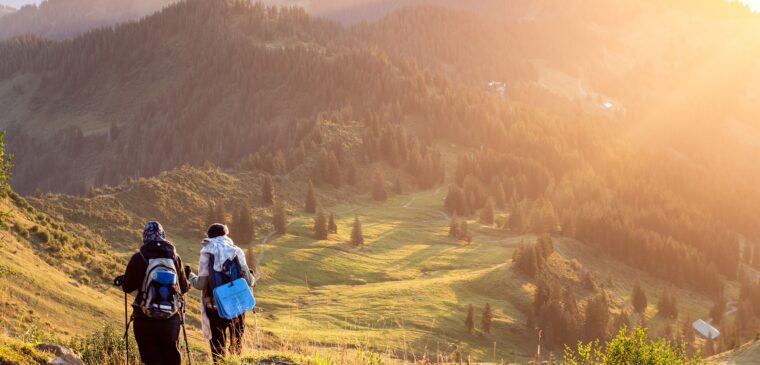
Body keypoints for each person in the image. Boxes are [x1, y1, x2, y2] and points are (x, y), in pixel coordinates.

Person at [119, 221, 189, 365]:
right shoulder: (175, 258)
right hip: (171, 319)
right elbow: (184, 287)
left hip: (144, 318)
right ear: (163, 235)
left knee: (151, 359)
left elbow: (127, 287)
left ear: (145, 237)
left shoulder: (139, 257)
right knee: (171, 358)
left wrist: (124, 279)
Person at [186, 223, 255, 363]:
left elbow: (201, 284)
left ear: (209, 236)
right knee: (237, 345)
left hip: (215, 307)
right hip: (237, 306)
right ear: (226, 234)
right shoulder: (236, 251)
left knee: (218, 348)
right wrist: (251, 275)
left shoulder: (207, 252)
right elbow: (249, 281)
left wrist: (189, 275)